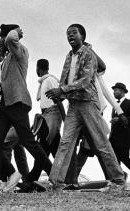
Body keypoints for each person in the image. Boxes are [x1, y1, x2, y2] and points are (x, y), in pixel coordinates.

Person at [44, 24, 125, 192]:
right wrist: (60, 93)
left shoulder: (89, 55)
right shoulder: (68, 56)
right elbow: (64, 79)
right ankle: (55, 182)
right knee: (65, 143)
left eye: (73, 33)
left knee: (101, 142)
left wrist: (62, 90)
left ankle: (118, 180)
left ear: (82, 36)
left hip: (88, 103)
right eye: (67, 33)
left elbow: (85, 80)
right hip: (73, 105)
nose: (70, 36)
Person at [0, 25, 52, 193]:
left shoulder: (20, 51)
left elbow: (10, 38)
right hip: (5, 104)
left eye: (1, 37)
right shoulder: (7, 58)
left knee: (29, 142)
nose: (0, 41)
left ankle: (54, 175)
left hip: (18, 102)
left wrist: (15, 31)